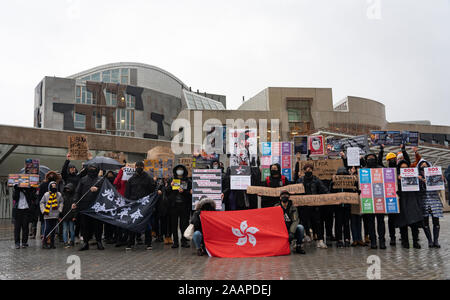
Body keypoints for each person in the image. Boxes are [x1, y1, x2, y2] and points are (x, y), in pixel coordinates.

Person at [124, 161, 156, 250]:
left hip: (145, 206)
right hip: (134, 205)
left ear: (143, 167)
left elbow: (153, 191)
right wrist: (128, 203)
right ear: (135, 167)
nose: (139, 167)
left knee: (147, 224)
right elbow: (127, 193)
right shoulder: (131, 179)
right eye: (137, 166)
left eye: (140, 166)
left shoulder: (149, 178)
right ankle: (130, 243)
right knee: (132, 224)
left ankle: (148, 243)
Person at [296, 163, 329, 249]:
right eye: (306, 169)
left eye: (310, 169)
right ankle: (306, 236)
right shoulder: (300, 181)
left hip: (315, 207)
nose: (308, 170)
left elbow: (323, 189)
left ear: (312, 170)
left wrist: (329, 196)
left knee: (318, 224)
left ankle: (320, 240)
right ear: (304, 170)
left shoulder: (316, 180)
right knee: (304, 222)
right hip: (304, 207)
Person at [73, 163, 104, 251]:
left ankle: (99, 241)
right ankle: (85, 242)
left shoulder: (101, 180)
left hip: (96, 206)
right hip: (84, 206)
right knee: (85, 225)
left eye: (94, 168)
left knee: (98, 225)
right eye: (91, 168)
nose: (92, 169)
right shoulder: (83, 179)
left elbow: (105, 192)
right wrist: (75, 202)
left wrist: (98, 190)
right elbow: (77, 192)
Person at [396, 160, 423, 249]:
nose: (404, 169)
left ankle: (415, 241)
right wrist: (397, 180)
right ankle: (405, 241)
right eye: (402, 168)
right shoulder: (396, 178)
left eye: (406, 167)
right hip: (402, 201)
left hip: (412, 201)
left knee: (414, 223)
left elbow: (420, 189)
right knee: (403, 224)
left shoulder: (414, 175)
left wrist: (419, 179)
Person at [418, 160, 444, 248]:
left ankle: (436, 241)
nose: (424, 167)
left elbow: (442, 185)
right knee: (425, 222)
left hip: (434, 200)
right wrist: (420, 180)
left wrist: (442, 179)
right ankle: (429, 240)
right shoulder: (417, 177)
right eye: (422, 166)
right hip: (424, 201)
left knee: (436, 221)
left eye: (426, 166)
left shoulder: (434, 175)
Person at [364, 153, 388, 249]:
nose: (370, 159)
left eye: (372, 158)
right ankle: (373, 241)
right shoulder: (363, 170)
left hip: (380, 199)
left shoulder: (381, 169)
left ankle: (382, 241)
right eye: (369, 158)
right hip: (368, 199)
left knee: (380, 221)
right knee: (370, 222)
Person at [167, 164, 192, 249]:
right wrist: (170, 186)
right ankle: (176, 242)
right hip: (174, 205)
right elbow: (166, 192)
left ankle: (184, 241)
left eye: (181, 169)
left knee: (184, 224)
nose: (180, 171)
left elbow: (190, 193)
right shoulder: (171, 179)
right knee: (174, 224)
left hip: (184, 205)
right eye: (178, 169)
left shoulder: (188, 181)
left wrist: (184, 192)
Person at [329, 167, 354, 248]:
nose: (342, 176)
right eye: (340, 175)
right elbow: (331, 192)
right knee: (338, 223)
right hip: (338, 206)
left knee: (346, 223)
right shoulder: (333, 182)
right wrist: (332, 184)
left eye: (343, 174)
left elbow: (352, 192)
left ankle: (347, 239)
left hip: (347, 205)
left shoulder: (349, 182)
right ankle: (339, 239)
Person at [275, 190, 306, 254]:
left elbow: (295, 220)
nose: (284, 196)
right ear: (280, 197)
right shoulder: (276, 207)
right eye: (283, 195)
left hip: (291, 228)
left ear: (289, 197)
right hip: (281, 229)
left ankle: (298, 246)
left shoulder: (293, 208)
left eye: (286, 195)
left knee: (300, 227)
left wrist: (291, 232)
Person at [40, 182, 64, 249]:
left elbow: (61, 202)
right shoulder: (46, 194)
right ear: (49, 187)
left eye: (54, 186)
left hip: (55, 214)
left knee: (53, 230)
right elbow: (41, 202)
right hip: (47, 214)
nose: (53, 187)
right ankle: (44, 242)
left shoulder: (59, 194)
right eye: (52, 186)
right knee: (47, 229)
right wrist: (43, 210)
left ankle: (52, 243)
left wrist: (60, 209)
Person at [12, 185, 36, 249]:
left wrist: (28, 190)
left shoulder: (28, 190)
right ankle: (17, 243)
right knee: (17, 228)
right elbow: (14, 197)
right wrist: (17, 189)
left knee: (25, 227)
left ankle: (24, 242)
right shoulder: (16, 190)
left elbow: (33, 197)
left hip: (26, 210)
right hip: (18, 210)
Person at [60, 183, 77, 248]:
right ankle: (65, 241)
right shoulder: (63, 198)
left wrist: (74, 216)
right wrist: (60, 216)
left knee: (71, 229)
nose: (67, 190)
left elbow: (75, 209)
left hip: (71, 216)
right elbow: (61, 208)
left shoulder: (74, 198)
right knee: (65, 230)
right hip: (64, 216)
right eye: (66, 189)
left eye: (69, 189)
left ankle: (72, 241)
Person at [103, 171, 118, 245]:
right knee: (107, 222)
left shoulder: (114, 182)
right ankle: (107, 236)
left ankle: (113, 236)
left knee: (113, 223)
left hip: (114, 205)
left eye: (111, 174)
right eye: (108, 174)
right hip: (107, 204)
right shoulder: (104, 181)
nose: (110, 175)